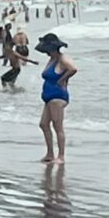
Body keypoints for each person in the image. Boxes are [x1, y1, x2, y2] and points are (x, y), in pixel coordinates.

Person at [36, 33, 75, 164]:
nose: (46, 53)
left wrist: (63, 79)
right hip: (48, 96)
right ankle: (50, 153)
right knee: (43, 124)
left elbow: (73, 69)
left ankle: (61, 156)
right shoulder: (52, 59)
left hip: (57, 96)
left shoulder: (62, 59)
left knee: (58, 126)